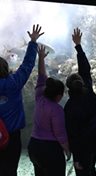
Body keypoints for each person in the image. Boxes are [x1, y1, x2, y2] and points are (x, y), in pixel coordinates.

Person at [0, 24, 44, 176]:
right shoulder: (14, 82)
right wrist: (32, 42)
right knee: (10, 169)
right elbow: (27, 65)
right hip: (12, 136)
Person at [64, 28, 96, 176]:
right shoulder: (89, 92)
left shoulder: (70, 107)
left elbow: (73, 135)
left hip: (83, 144)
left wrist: (77, 158)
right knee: (91, 166)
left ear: (68, 88)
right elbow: (85, 69)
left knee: (82, 171)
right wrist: (78, 46)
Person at [27, 45, 71, 176]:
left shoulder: (39, 95)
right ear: (58, 95)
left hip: (33, 146)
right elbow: (60, 134)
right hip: (49, 150)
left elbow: (41, 75)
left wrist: (40, 57)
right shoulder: (57, 110)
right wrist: (67, 150)